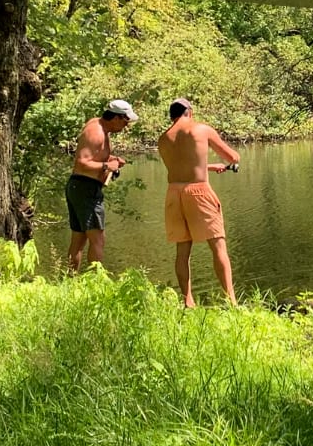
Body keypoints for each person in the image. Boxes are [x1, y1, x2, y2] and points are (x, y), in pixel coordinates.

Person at [157, 97, 240, 307]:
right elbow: (232, 157)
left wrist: (210, 167)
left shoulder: (164, 138)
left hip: (174, 193)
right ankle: (231, 302)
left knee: (182, 251)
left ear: (172, 116)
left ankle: (187, 301)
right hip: (199, 192)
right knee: (218, 246)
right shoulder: (201, 129)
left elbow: (181, 166)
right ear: (190, 112)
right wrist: (233, 159)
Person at [66, 98, 138, 272]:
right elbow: (81, 163)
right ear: (116, 118)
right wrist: (106, 166)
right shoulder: (96, 132)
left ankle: (68, 280)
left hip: (79, 188)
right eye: (126, 121)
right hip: (86, 189)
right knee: (98, 240)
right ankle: (96, 281)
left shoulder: (99, 125)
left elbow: (93, 156)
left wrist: (111, 160)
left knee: (79, 239)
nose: (126, 126)